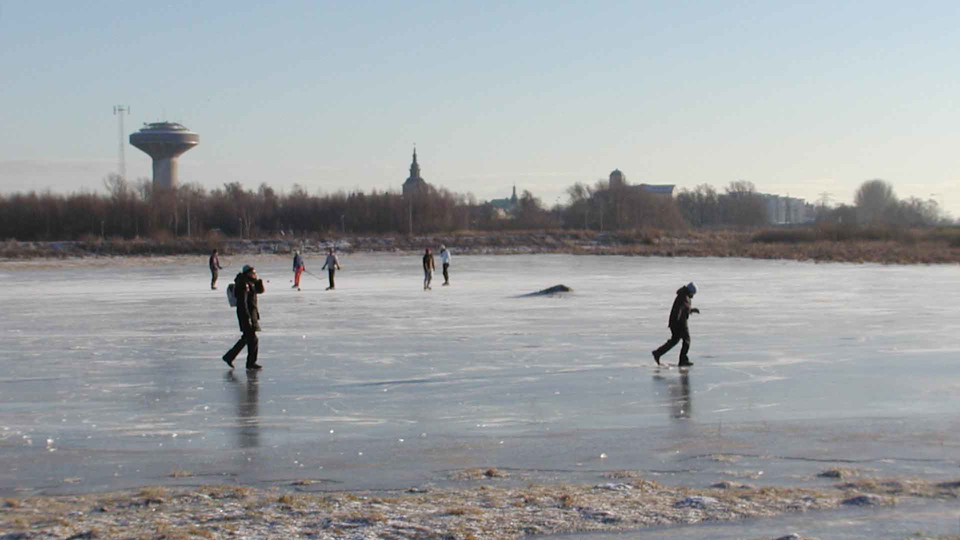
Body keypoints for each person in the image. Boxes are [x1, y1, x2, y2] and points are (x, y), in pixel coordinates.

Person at [223, 265, 265, 370]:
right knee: (253, 339)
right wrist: (247, 318)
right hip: (246, 315)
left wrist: (258, 281)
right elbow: (243, 303)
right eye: (253, 272)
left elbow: (260, 290)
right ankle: (250, 363)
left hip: (251, 315)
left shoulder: (250, 282)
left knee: (247, 338)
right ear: (248, 273)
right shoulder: (243, 284)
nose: (255, 274)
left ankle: (229, 357)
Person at [652, 282, 700, 367]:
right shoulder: (684, 297)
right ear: (690, 291)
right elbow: (680, 309)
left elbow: (684, 308)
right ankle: (683, 360)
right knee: (687, 340)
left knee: (675, 340)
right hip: (680, 323)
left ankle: (658, 353)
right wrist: (677, 321)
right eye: (693, 293)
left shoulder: (684, 296)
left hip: (676, 322)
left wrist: (692, 310)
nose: (693, 296)